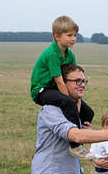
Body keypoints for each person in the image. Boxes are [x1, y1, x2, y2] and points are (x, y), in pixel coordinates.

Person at [30, 15, 95, 160]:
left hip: (55, 89)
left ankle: (81, 134)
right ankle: (74, 145)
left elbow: (70, 78)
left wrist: (78, 100)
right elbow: (60, 81)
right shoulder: (52, 54)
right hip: (42, 90)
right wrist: (72, 101)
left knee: (88, 112)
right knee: (68, 103)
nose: (73, 38)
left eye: (75, 35)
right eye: (69, 35)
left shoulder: (70, 54)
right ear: (57, 36)